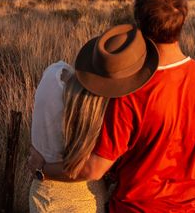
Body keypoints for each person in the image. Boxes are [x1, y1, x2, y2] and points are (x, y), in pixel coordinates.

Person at [38, 0, 195, 212]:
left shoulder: (129, 91)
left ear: (139, 24)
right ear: (182, 20)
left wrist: (44, 170)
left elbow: (95, 169)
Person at [29, 24, 159, 212]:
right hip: (85, 198)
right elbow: (93, 169)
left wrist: (41, 169)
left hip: (42, 193)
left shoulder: (53, 74)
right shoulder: (110, 112)